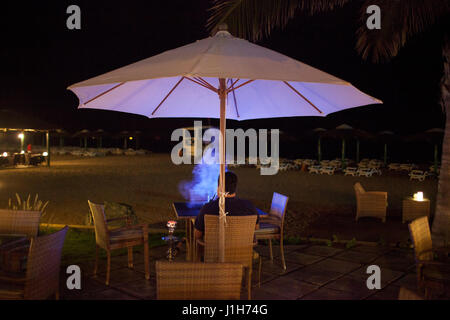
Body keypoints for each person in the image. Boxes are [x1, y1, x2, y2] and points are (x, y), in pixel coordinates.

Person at [194, 171, 259, 241]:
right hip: (243, 250)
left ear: (219, 187)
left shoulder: (208, 208)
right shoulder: (249, 206)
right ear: (235, 187)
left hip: (215, 251)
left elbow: (197, 234)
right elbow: (256, 228)